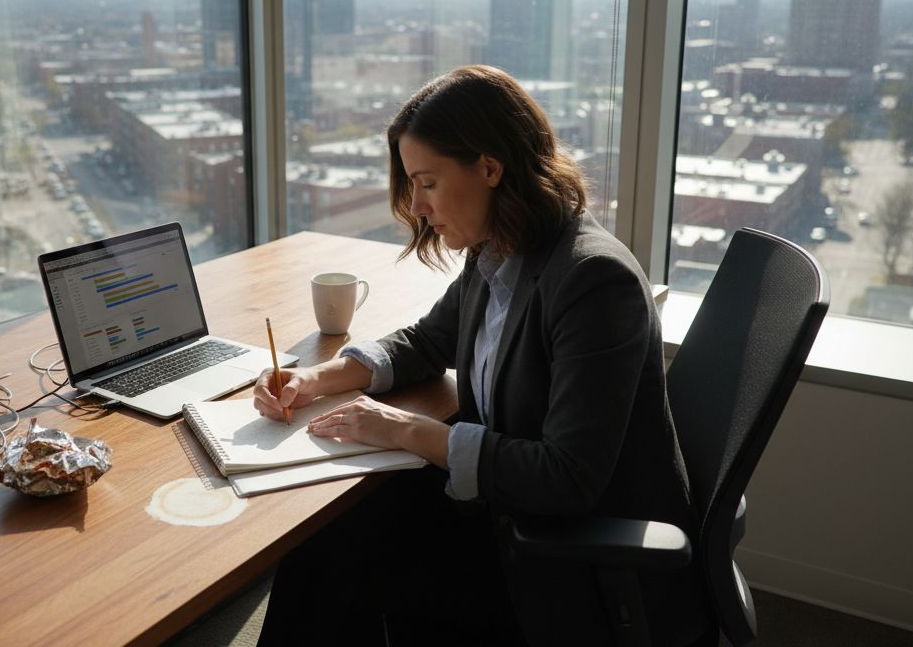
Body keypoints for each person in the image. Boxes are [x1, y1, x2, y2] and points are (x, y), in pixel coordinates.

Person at [253, 65, 707, 646]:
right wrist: (315, 378)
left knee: (341, 565)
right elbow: (426, 340)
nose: (416, 205)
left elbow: (567, 479)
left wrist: (406, 430)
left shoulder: (592, 279)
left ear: (490, 168)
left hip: (565, 558)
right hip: (506, 510)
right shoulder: (500, 248)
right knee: (332, 536)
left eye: (428, 182)